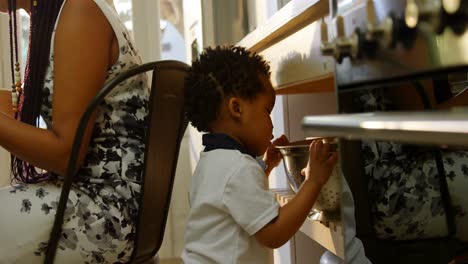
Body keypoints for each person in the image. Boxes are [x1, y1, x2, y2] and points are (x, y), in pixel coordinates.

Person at [0, 0, 149, 262]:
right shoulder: (56, 18)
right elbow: (19, 111)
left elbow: (65, 155)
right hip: (85, 193)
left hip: (106, 210)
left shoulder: (80, 11)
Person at [181, 45, 338, 263]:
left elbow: (242, 202)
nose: (272, 124)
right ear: (237, 109)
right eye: (267, 110)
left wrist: (265, 167)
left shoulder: (212, 160)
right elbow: (274, 232)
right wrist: (313, 181)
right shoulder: (238, 169)